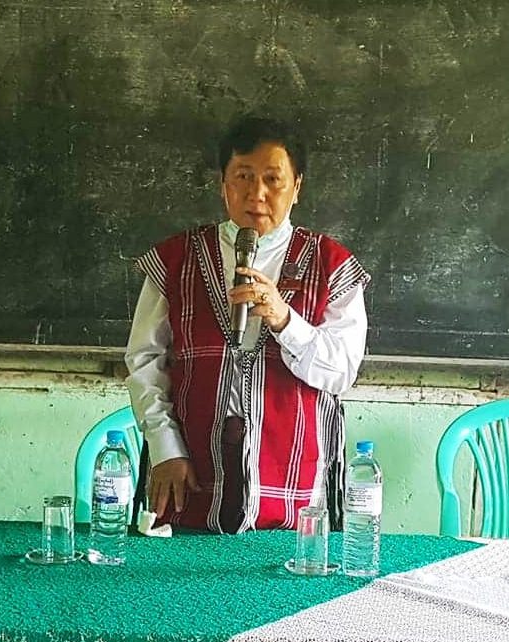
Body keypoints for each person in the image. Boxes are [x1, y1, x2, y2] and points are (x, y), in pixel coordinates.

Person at [125, 116, 370, 533]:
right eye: (243, 177)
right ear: (223, 184)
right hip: (190, 468)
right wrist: (165, 445)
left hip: (293, 475)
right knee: (179, 570)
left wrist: (284, 319)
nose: (257, 194)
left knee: (283, 572)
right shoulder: (176, 259)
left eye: (273, 179)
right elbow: (145, 362)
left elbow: (340, 373)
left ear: (296, 187)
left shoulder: (332, 265)